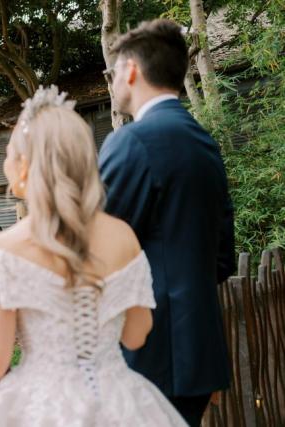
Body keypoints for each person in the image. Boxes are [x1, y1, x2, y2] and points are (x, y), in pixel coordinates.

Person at [0, 85, 186, 426]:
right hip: (121, 402)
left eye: (8, 153)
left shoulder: (1, 252)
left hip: (39, 408)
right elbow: (136, 335)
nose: (5, 162)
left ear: (24, 167)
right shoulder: (124, 236)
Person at [98, 19, 236, 426]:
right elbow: (222, 259)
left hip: (144, 357)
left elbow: (96, 251)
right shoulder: (204, 144)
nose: (112, 81)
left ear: (132, 70)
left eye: (113, 71)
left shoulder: (132, 141)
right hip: (198, 355)